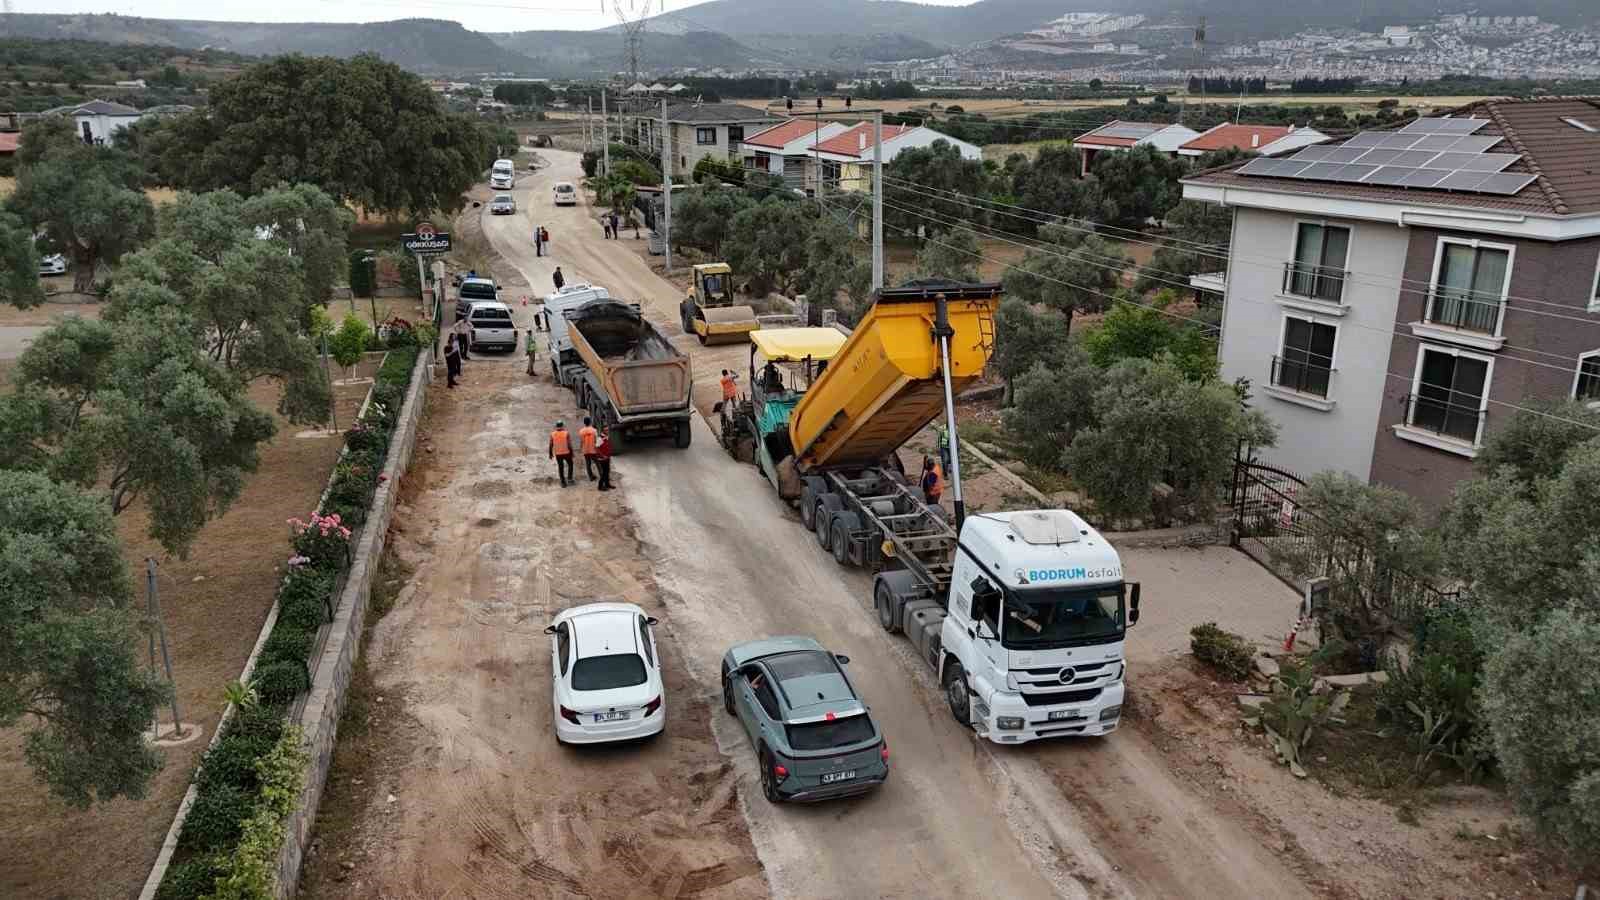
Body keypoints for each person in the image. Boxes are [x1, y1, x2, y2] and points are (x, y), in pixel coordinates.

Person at [549, 420, 574, 487]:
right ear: (562, 426)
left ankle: (563, 482)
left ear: (556, 426)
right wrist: (572, 452)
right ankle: (570, 478)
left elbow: (551, 444)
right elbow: (569, 445)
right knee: (570, 464)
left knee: (561, 467)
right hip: (566, 452)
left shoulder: (552, 434)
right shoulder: (566, 433)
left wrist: (550, 453)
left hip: (558, 453)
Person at [578, 416, 599, 481]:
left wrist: (581, 449)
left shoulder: (581, 431)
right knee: (598, 464)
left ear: (584, 423)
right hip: (593, 450)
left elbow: (581, 441)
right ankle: (602, 475)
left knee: (588, 464)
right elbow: (596, 441)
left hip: (585, 450)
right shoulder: (594, 430)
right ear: (590, 422)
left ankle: (591, 477)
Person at [595, 426, 613, 491]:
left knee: (607, 471)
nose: (607, 431)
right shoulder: (600, 438)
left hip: (607, 457)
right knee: (604, 473)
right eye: (606, 430)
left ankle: (607, 484)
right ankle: (600, 486)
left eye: (608, 430)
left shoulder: (606, 436)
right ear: (603, 431)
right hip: (602, 459)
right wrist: (602, 456)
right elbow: (596, 448)